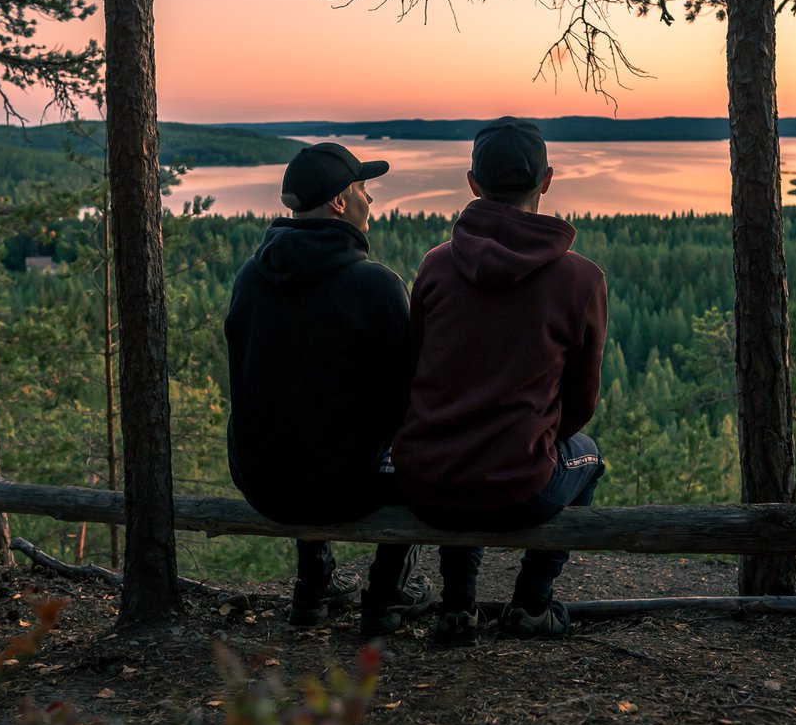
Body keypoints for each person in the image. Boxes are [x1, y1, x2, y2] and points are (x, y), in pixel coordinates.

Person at [393, 117, 607, 645]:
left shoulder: (436, 268)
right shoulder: (581, 278)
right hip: (520, 488)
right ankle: (532, 605)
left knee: (462, 447)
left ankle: (458, 609)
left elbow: (414, 374)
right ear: (547, 180)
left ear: (472, 183)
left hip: (428, 482)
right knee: (589, 453)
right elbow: (580, 403)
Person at [225, 141, 432, 634]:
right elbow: (407, 402)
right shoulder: (374, 286)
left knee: (295, 413)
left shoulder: (251, 278)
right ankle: (386, 593)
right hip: (341, 489)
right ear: (340, 201)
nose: (370, 200)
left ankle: (313, 583)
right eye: (363, 188)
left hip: (259, 481)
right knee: (417, 446)